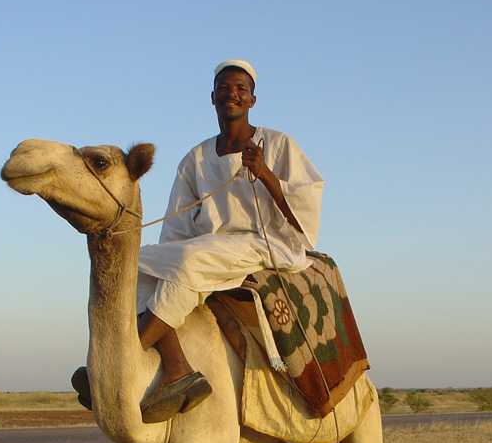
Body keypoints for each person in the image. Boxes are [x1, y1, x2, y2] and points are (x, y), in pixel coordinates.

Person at [73, 59, 324, 422]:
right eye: (224, 88)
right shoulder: (196, 158)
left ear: (253, 99)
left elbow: (306, 208)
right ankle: (177, 367)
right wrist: (168, 256)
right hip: (209, 245)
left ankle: (121, 361)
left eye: (240, 88)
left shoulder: (278, 145)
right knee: (138, 262)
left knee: (190, 261)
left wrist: (266, 174)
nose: (232, 94)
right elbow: (176, 224)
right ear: (212, 98)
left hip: (262, 242)